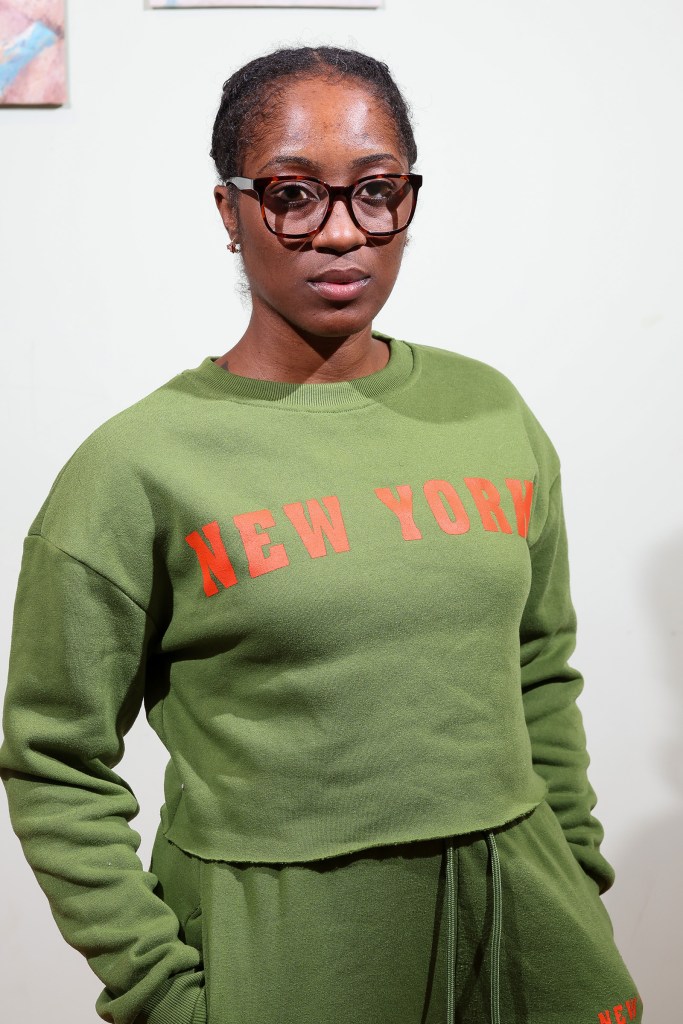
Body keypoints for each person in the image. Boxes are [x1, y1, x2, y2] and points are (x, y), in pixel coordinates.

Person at [0, 45, 641, 1024]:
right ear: (230, 212)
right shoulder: (134, 467)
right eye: (292, 195)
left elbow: (538, 666)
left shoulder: (488, 411)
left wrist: (573, 870)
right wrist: (159, 988)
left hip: (523, 923)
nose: (342, 232)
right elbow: (53, 757)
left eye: (376, 191)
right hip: (289, 953)